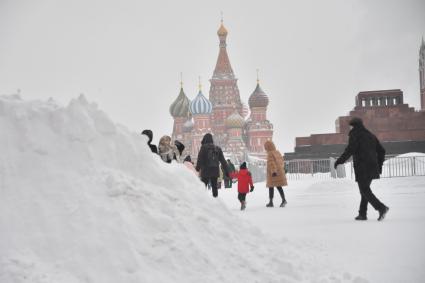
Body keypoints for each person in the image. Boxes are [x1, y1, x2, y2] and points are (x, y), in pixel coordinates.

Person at [334, 117, 389, 221]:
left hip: (362, 167)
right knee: (364, 190)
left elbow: (350, 150)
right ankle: (362, 214)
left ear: (353, 126)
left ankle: (381, 208)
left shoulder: (355, 134)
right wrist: (379, 165)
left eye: (350, 126)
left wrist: (339, 161)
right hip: (372, 167)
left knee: (364, 190)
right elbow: (382, 151)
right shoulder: (370, 135)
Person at [196, 133, 229, 198]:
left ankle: (202, 201)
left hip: (205, 171)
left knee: (203, 187)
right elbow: (223, 161)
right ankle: (215, 200)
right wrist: (227, 171)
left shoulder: (203, 148)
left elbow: (199, 159)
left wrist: (197, 169)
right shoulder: (217, 148)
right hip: (215, 170)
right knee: (214, 187)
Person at [264, 140, 288, 208]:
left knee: (271, 187)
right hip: (279, 172)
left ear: (267, 147)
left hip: (273, 173)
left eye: (265, 147)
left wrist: (273, 171)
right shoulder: (277, 152)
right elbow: (281, 162)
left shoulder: (270, 154)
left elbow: (272, 163)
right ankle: (282, 200)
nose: (265, 149)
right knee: (278, 187)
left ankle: (272, 202)